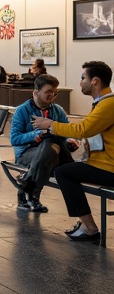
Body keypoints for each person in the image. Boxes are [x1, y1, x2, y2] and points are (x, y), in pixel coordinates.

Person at [32, 60, 114, 243]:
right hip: (102, 163)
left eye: (83, 77)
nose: (80, 82)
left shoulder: (109, 104)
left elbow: (83, 129)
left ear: (95, 81)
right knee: (65, 168)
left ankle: (89, 227)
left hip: (109, 168)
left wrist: (51, 125)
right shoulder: (102, 103)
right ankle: (85, 223)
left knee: (64, 173)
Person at [10, 73, 75, 213]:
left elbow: (66, 132)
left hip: (52, 152)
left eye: (55, 93)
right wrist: (36, 134)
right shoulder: (22, 110)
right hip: (26, 153)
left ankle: (28, 185)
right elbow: (15, 139)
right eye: (48, 92)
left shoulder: (58, 110)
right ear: (35, 92)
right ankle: (33, 195)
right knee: (51, 145)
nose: (52, 96)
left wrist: (69, 140)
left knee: (51, 143)